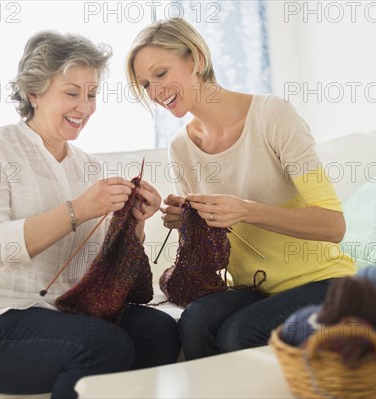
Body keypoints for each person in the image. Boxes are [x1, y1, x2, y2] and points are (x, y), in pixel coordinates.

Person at [0, 31, 180, 399]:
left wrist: (135, 223)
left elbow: (103, 272)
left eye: (91, 94)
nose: (84, 107)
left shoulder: (88, 167)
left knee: (160, 332)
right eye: (71, 93)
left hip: (61, 316)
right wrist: (79, 209)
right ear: (34, 92)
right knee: (104, 344)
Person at [126, 18, 356, 360]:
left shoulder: (272, 116)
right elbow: (209, 242)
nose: (156, 93)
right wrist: (188, 220)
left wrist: (246, 209)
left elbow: (333, 225)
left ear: (197, 59)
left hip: (323, 282)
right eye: (145, 84)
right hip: (254, 288)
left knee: (240, 333)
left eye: (161, 74)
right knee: (195, 322)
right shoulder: (181, 147)